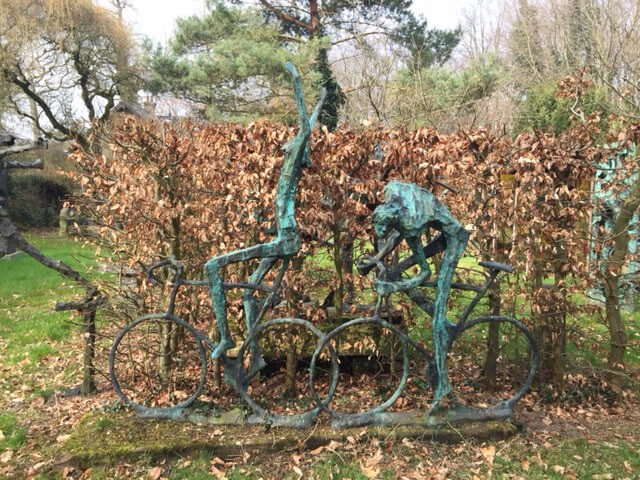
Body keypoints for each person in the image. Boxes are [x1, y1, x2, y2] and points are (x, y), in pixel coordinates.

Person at [205, 62, 326, 364]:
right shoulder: (290, 170)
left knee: (212, 267)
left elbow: (306, 126)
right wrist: (322, 99)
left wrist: (296, 79)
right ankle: (255, 355)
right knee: (248, 293)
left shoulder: (293, 162)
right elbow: (309, 124)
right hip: (283, 236)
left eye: (294, 141)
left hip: (285, 240)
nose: (288, 141)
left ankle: (226, 338)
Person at [366, 180, 469, 409]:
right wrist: (376, 259)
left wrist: (393, 289)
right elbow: (395, 235)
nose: (382, 232)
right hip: (442, 233)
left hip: (454, 239)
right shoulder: (391, 196)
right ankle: (440, 317)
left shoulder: (410, 223)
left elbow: (424, 272)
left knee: (437, 324)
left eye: (383, 228)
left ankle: (444, 387)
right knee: (395, 272)